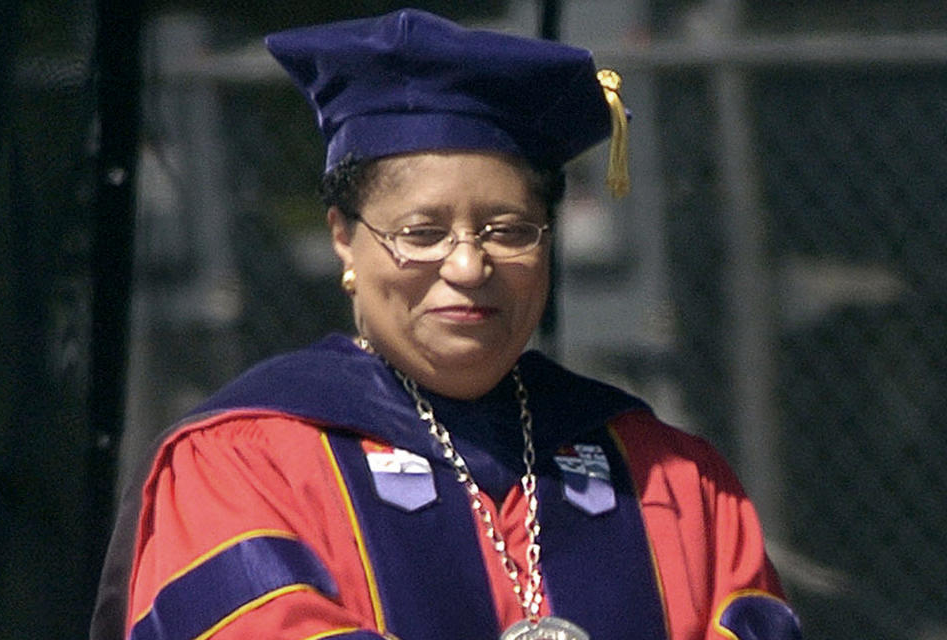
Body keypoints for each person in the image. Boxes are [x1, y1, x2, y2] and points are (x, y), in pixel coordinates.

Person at [90, 8, 802, 640]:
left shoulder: (666, 474)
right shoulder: (243, 465)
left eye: (508, 229)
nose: (468, 266)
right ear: (344, 236)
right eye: (422, 232)